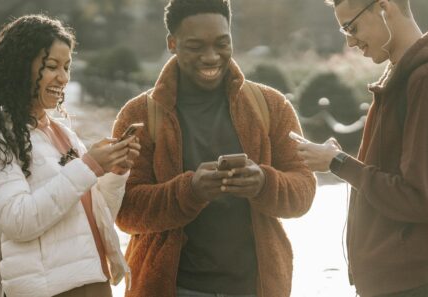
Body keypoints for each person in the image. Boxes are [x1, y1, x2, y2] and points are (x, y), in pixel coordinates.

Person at [111, 0, 317, 296]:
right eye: (195, 46)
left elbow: (304, 191)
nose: (211, 57)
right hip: (173, 287)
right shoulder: (139, 116)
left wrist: (263, 183)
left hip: (255, 286)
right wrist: (190, 191)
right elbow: (125, 211)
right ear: (172, 43)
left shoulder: (270, 105)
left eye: (222, 43)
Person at [0, 14, 139, 297]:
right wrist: (89, 166)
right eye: (52, 66)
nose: (63, 77)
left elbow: (95, 215)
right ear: (21, 68)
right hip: (51, 290)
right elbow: (19, 221)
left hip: (94, 282)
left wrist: (114, 172)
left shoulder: (62, 133)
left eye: (67, 67)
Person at [295, 0, 428, 296]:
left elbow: (418, 198)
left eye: (351, 27)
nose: (350, 41)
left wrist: (338, 162)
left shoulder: (427, 80)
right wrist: (337, 159)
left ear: (384, 7)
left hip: (410, 284)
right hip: (393, 281)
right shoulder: (403, 74)